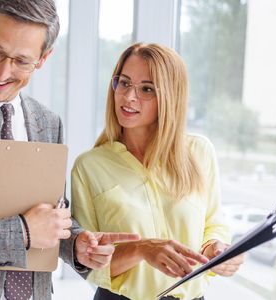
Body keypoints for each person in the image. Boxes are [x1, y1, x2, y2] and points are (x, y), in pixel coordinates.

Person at [0, 1, 139, 299]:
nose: (3, 71)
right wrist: (22, 231)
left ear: (44, 58)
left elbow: (52, 212)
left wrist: (74, 243)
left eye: (22, 61)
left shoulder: (47, 123)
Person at [71, 43, 245, 300]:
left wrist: (216, 251)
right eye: (124, 83)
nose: (129, 97)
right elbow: (90, 265)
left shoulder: (199, 152)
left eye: (146, 89)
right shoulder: (89, 166)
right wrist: (141, 250)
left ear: (170, 97)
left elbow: (213, 223)